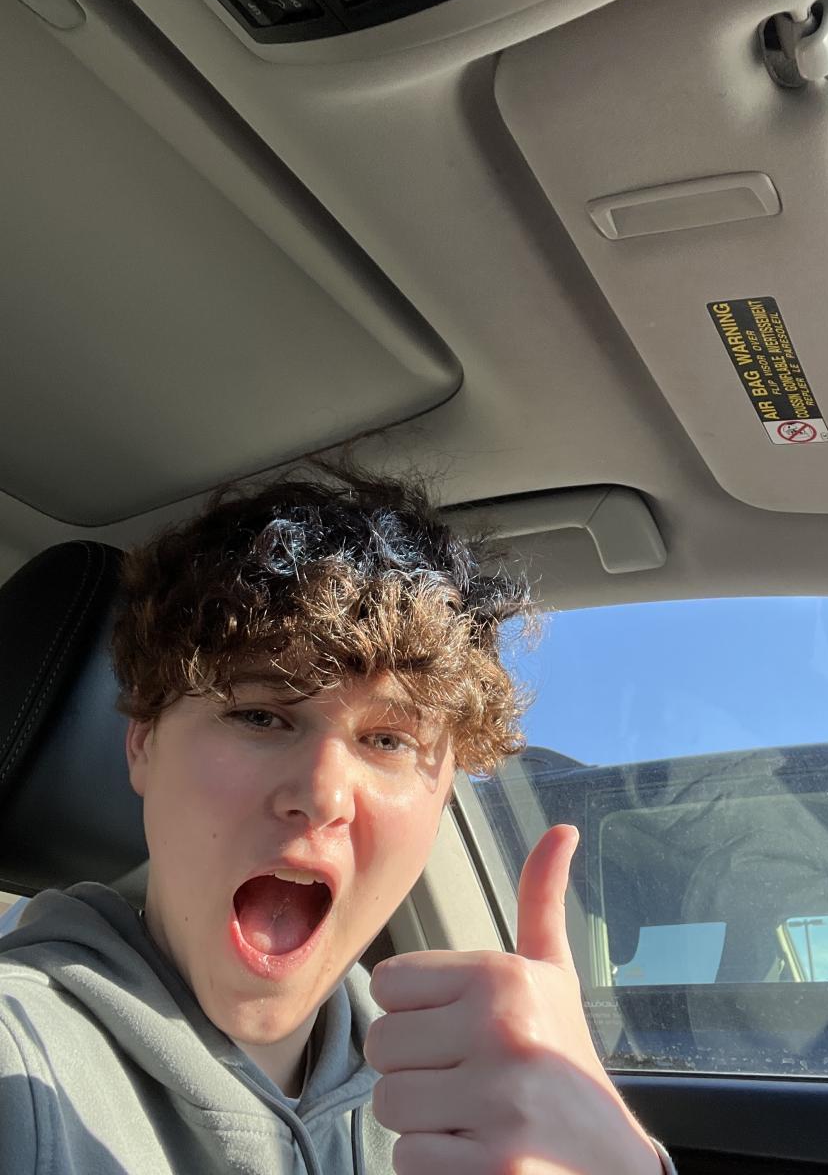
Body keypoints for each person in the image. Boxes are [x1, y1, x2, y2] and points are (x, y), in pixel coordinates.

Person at [0, 466, 674, 1174]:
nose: (323, 796)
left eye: (387, 740)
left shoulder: (476, 1099)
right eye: (259, 716)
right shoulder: (20, 1060)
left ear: (444, 795)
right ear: (143, 743)